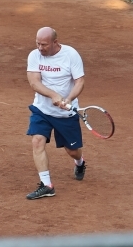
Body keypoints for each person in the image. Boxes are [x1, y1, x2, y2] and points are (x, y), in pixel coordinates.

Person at [25, 27, 87, 200]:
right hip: (42, 110)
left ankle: (80, 162)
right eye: (37, 43)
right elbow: (34, 83)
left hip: (65, 114)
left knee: (72, 150)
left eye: (44, 44)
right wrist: (53, 95)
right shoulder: (34, 55)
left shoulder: (71, 55)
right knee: (37, 141)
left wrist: (68, 99)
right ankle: (47, 185)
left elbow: (80, 81)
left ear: (55, 43)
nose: (40, 48)